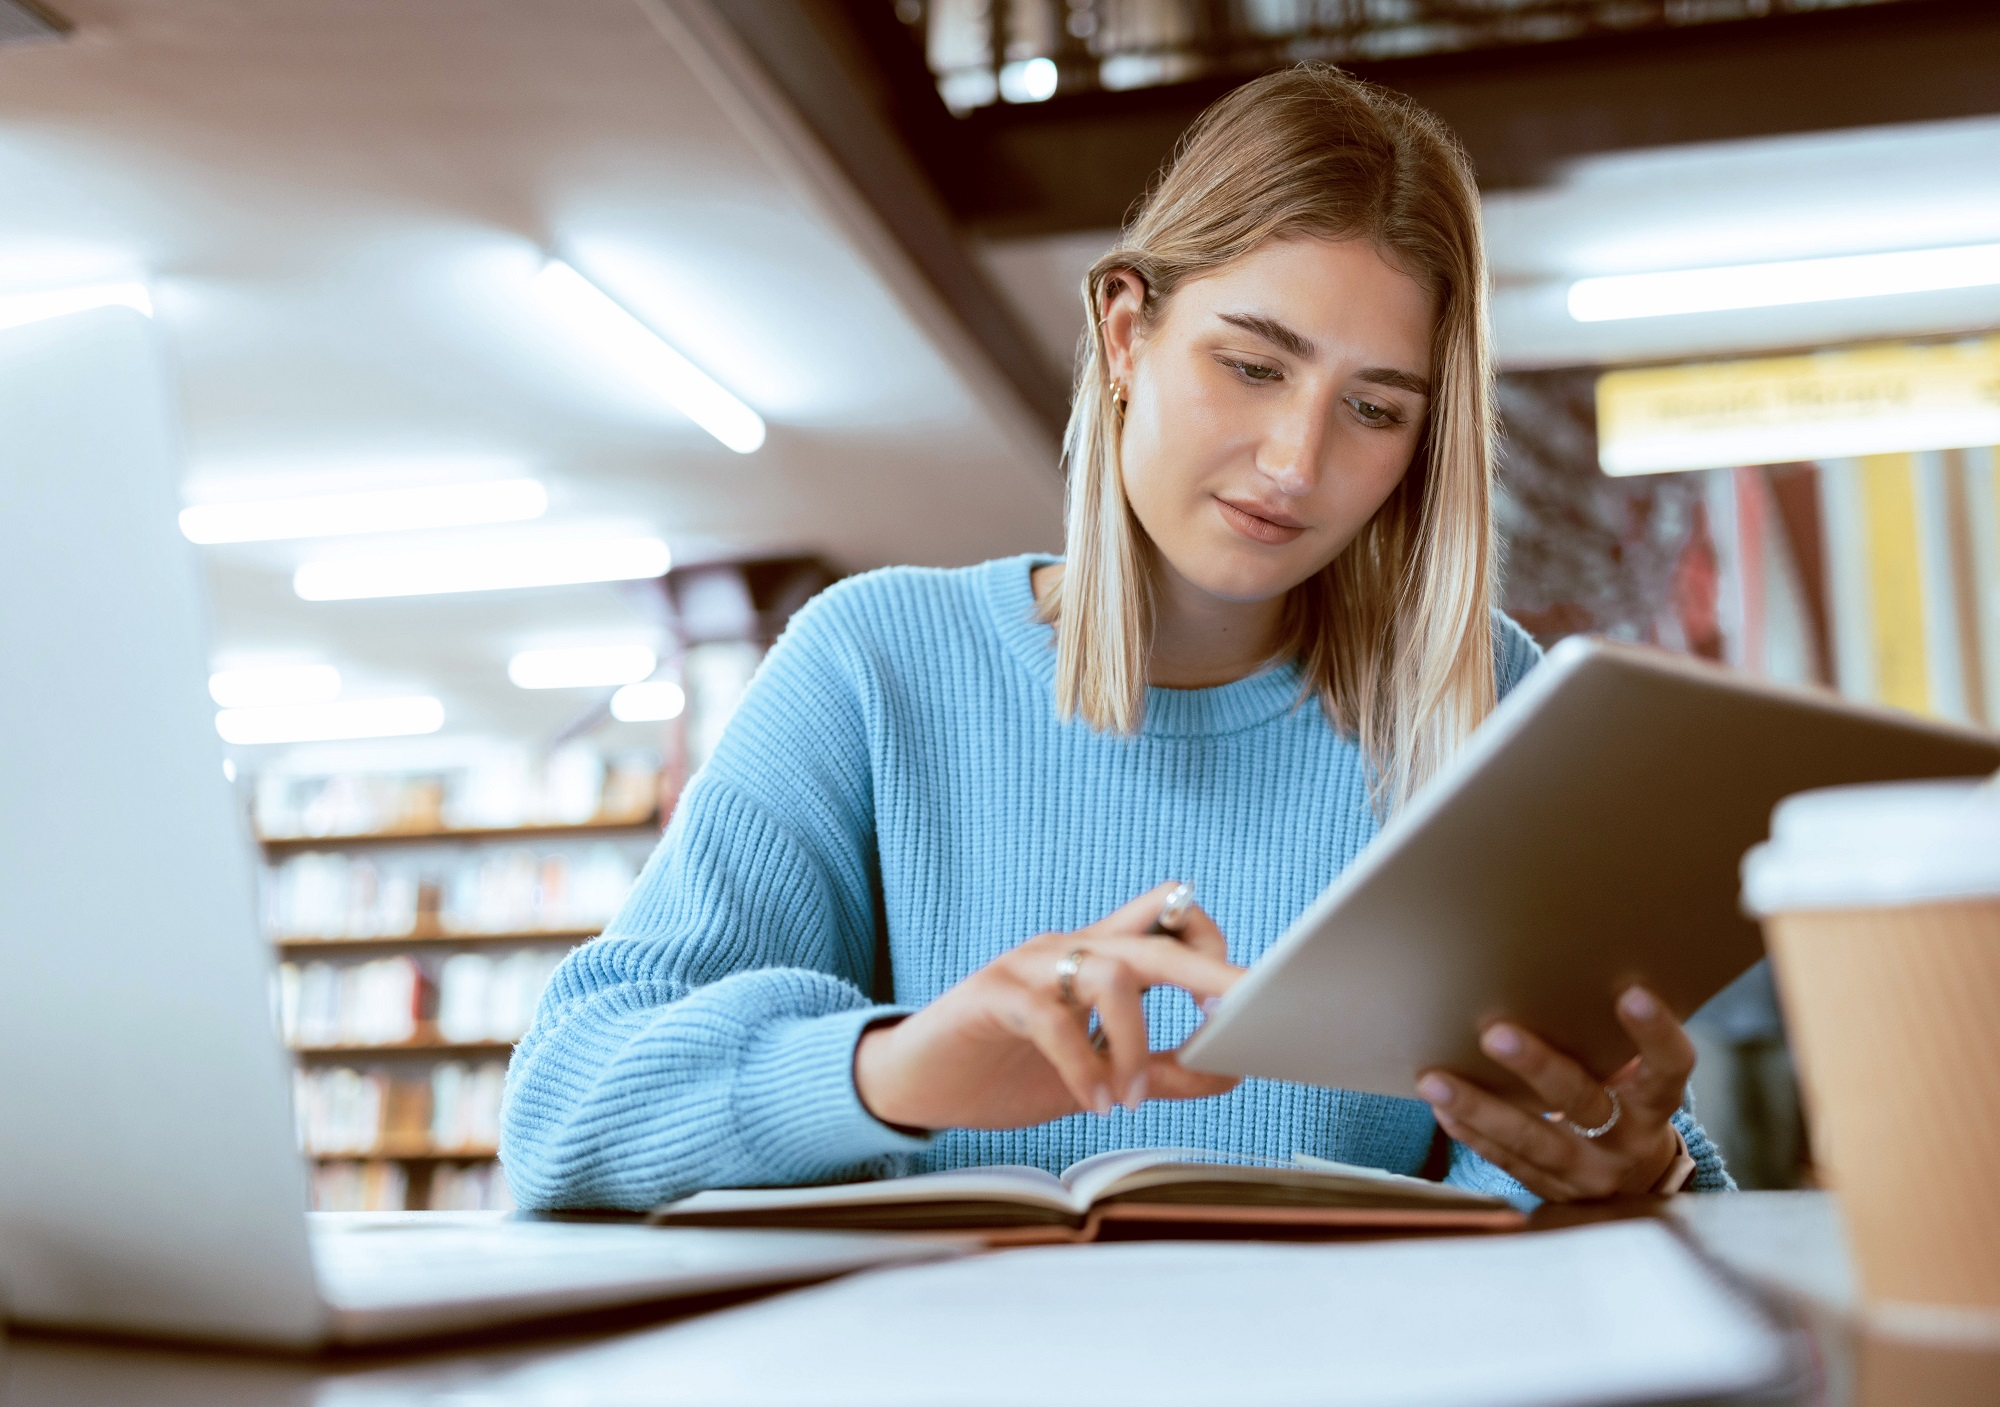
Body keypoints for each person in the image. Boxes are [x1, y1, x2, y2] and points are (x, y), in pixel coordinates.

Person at [501, 64, 1729, 1210]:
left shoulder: (1484, 706)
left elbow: (1622, 1164)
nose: (1295, 463)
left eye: (1371, 409)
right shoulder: (873, 664)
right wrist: (900, 1070)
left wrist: (1638, 1167)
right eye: (1251, 366)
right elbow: (560, 1115)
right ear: (1125, 330)